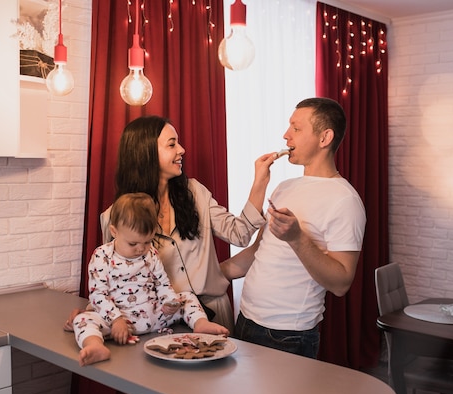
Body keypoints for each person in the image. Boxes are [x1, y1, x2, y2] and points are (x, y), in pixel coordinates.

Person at [66, 115, 273, 334]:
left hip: (210, 314)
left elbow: (239, 234)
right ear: (146, 153)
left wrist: (260, 181)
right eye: (172, 144)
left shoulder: (195, 193)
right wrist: (89, 314)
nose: (182, 149)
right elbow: (115, 279)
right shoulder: (115, 216)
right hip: (160, 321)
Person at [220, 97, 367, 359]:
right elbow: (257, 252)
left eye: (296, 129)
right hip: (245, 321)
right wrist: (207, 277)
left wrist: (297, 238)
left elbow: (342, 282)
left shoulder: (345, 200)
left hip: (288, 336)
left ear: (325, 138)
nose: (285, 135)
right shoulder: (284, 187)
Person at [72, 192, 229, 366]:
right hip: (121, 321)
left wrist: (170, 302)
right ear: (114, 231)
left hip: (153, 315)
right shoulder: (102, 256)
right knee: (82, 320)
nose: (141, 249)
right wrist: (116, 320)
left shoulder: (151, 253)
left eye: (147, 242)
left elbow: (162, 283)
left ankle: (201, 323)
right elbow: (98, 296)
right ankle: (95, 346)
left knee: (187, 297)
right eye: (133, 244)